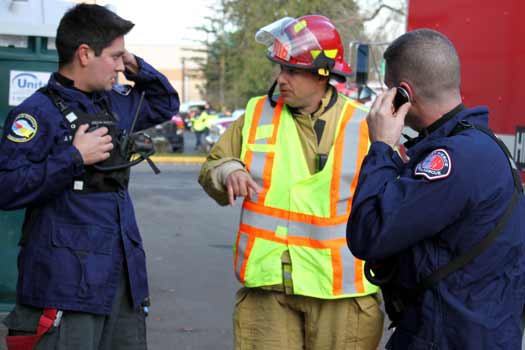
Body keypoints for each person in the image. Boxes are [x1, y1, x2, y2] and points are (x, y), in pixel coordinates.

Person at [0, 3, 179, 349]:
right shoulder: (36, 114)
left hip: (121, 280)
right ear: (84, 54)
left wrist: (136, 66)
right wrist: (74, 157)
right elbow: (6, 188)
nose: (118, 65)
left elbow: (164, 103)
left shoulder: (112, 103)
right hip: (66, 287)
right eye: (114, 56)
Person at [199, 15, 383, 350]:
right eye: (280, 68)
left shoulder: (366, 125)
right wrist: (228, 171)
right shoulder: (255, 115)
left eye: (292, 71)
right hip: (269, 292)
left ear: (323, 74)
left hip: (339, 295)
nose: (281, 78)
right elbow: (214, 164)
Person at [347, 29, 525, 349]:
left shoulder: (451, 159)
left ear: (403, 93)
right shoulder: (479, 146)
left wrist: (381, 148)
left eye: (389, 90)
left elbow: (367, 234)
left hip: (443, 338)